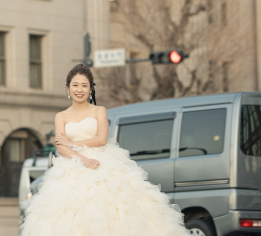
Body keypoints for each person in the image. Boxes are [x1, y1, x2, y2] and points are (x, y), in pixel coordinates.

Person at [20, 64, 190, 236]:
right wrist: (82, 159)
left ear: (91, 89)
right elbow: (60, 147)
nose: (80, 89)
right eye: (75, 85)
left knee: (112, 208)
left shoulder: (99, 111)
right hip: (71, 166)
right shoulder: (61, 116)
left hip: (102, 162)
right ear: (68, 88)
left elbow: (101, 139)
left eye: (85, 85)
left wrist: (73, 144)